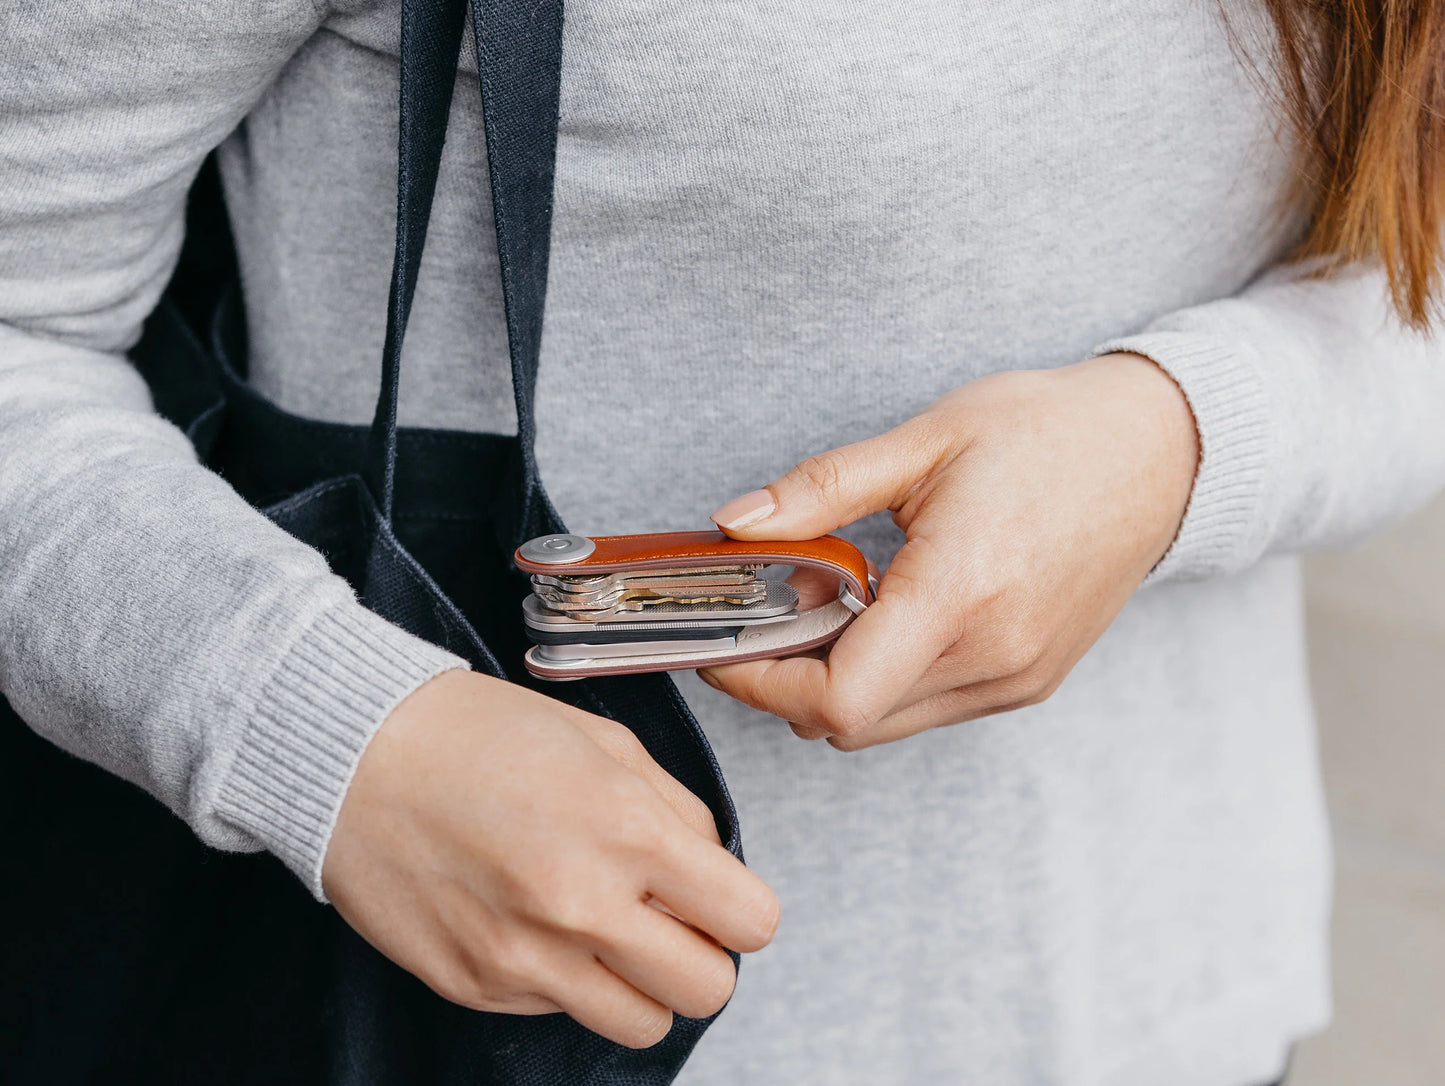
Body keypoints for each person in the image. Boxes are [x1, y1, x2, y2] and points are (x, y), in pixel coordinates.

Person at [3, 1, 1443, 1083]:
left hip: (1170, 993)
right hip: (471, 1037)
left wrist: (1184, 439)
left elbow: (1413, 229)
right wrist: (324, 734)